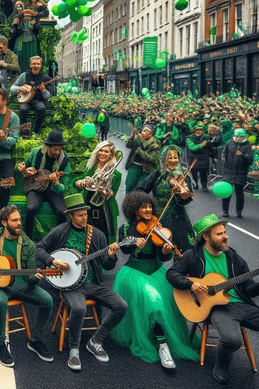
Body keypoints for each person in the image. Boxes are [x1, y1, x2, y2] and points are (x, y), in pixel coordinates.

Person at [36, 194, 127, 371]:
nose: (84, 217)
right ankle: (74, 349)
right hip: (71, 286)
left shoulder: (97, 234)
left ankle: (95, 341)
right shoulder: (61, 231)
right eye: (80, 215)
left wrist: (111, 255)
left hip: (95, 283)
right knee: (79, 308)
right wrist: (52, 261)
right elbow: (39, 247)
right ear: (70, 216)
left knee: (121, 306)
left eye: (85, 214)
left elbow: (106, 265)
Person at [166, 214, 259, 384]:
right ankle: (222, 363)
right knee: (233, 340)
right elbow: (171, 273)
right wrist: (190, 285)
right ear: (206, 237)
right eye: (219, 234)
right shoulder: (192, 255)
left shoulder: (233, 258)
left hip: (241, 304)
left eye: (225, 232)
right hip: (216, 307)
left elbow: (250, 289)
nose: (225, 236)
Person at [111, 192, 199, 369]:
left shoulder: (159, 227)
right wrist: (134, 243)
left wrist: (166, 251)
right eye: (143, 207)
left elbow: (162, 257)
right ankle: (163, 346)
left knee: (168, 304)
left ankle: (163, 338)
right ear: (134, 209)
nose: (148, 209)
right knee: (155, 303)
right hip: (135, 271)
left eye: (150, 206)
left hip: (157, 270)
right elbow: (125, 252)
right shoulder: (126, 229)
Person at [0, 205, 54, 367]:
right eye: (14, 220)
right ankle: (1, 345)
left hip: (21, 284)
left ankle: (35, 340)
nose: (19, 223)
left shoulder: (27, 243)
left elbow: (29, 276)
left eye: (20, 219)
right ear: (4, 223)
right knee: (0, 301)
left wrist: (34, 278)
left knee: (48, 300)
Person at [135, 145, 195, 253]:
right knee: (155, 251)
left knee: (182, 250)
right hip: (157, 218)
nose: (173, 160)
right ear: (163, 159)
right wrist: (148, 205)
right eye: (169, 157)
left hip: (178, 217)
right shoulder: (157, 175)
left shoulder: (184, 177)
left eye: (175, 157)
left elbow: (186, 198)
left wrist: (183, 195)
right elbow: (139, 190)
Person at [18, 129, 70, 239]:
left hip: (53, 190)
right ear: (47, 146)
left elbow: (65, 186)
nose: (57, 152)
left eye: (60, 149)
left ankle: (60, 240)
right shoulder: (36, 152)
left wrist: (56, 183)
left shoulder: (64, 159)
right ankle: (27, 239)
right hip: (35, 188)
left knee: (62, 212)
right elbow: (24, 165)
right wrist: (24, 170)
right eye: (55, 149)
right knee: (31, 209)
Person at [76, 141, 121, 244]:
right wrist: (82, 183)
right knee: (86, 230)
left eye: (106, 151)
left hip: (104, 207)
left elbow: (111, 194)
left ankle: (105, 254)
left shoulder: (116, 174)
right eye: (100, 150)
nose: (102, 153)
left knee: (104, 231)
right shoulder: (88, 167)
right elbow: (76, 182)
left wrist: (103, 188)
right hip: (87, 203)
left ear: (111, 155)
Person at [10, 56, 52, 136]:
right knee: (23, 109)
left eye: (38, 64)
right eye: (34, 64)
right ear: (30, 65)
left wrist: (43, 90)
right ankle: (24, 132)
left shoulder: (45, 78)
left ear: (41, 65)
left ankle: (36, 132)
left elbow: (48, 97)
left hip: (38, 101)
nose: (36, 66)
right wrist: (20, 88)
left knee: (42, 108)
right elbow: (12, 88)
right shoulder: (24, 75)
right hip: (25, 101)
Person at [221, 128, 253, 218]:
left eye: (240, 136)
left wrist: (242, 155)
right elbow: (224, 152)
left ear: (244, 137)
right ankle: (225, 211)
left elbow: (250, 160)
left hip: (241, 172)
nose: (238, 138)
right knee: (226, 192)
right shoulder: (230, 142)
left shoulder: (247, 145)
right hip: (229, 171)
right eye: (236, 136)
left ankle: (239, 211)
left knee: (239, 193)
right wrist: (223, 157)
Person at [124, 124, 160, 194]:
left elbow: (153, 159)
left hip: (146, 170)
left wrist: (140, 151)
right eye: (143, 130)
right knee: (129, 185)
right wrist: (133, 137)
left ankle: (138, 204)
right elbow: (128, 145)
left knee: (140, 189)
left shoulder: (154, 146)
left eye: (146, 130)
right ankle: (127, 202)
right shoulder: (137, 139)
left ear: (150, 134)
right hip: (134, 166)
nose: (143, 132)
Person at [9, 6, 41, 73]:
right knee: (22, 59)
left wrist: (34, 26)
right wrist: (15, 25)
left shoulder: (34, 23)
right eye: (25, 17)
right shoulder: (20, 24)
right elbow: (13, 34)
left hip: (32, 43)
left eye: (29, 17)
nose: (27, 18)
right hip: (22, 43)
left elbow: (38, 31)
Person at [186, 122, 213, 192]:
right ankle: (195, 184)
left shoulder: (206, 137)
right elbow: (192, 148)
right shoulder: (189, 138)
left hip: (204, 158)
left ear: (203, 130)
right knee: (194, 173)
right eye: (197, 129)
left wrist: (214, 156)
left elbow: (211, 147)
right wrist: (201, 145)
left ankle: (204, 186)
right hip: (193, 158)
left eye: (200, 130)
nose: (198, 131)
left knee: (203, 173)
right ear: (195, 130)